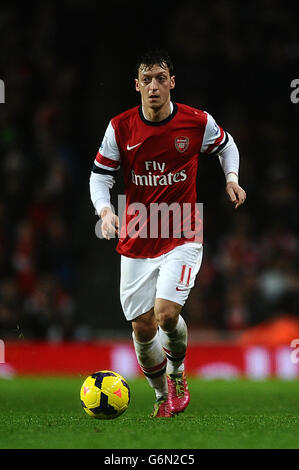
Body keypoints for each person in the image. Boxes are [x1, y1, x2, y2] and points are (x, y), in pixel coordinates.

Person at [89, 50, 246, 417]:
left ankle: (177, 373)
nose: (154, 86)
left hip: (182, 230)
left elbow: (227, 146)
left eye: (161, 78)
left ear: (172, 82)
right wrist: (106, 210)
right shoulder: (120, 127)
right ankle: (162, 397)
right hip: (138, 235)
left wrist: (232, 179)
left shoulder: (195, 122)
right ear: (137, 85)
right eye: (147, 79)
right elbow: (100, 175)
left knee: (165, 315)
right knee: (143, 330)